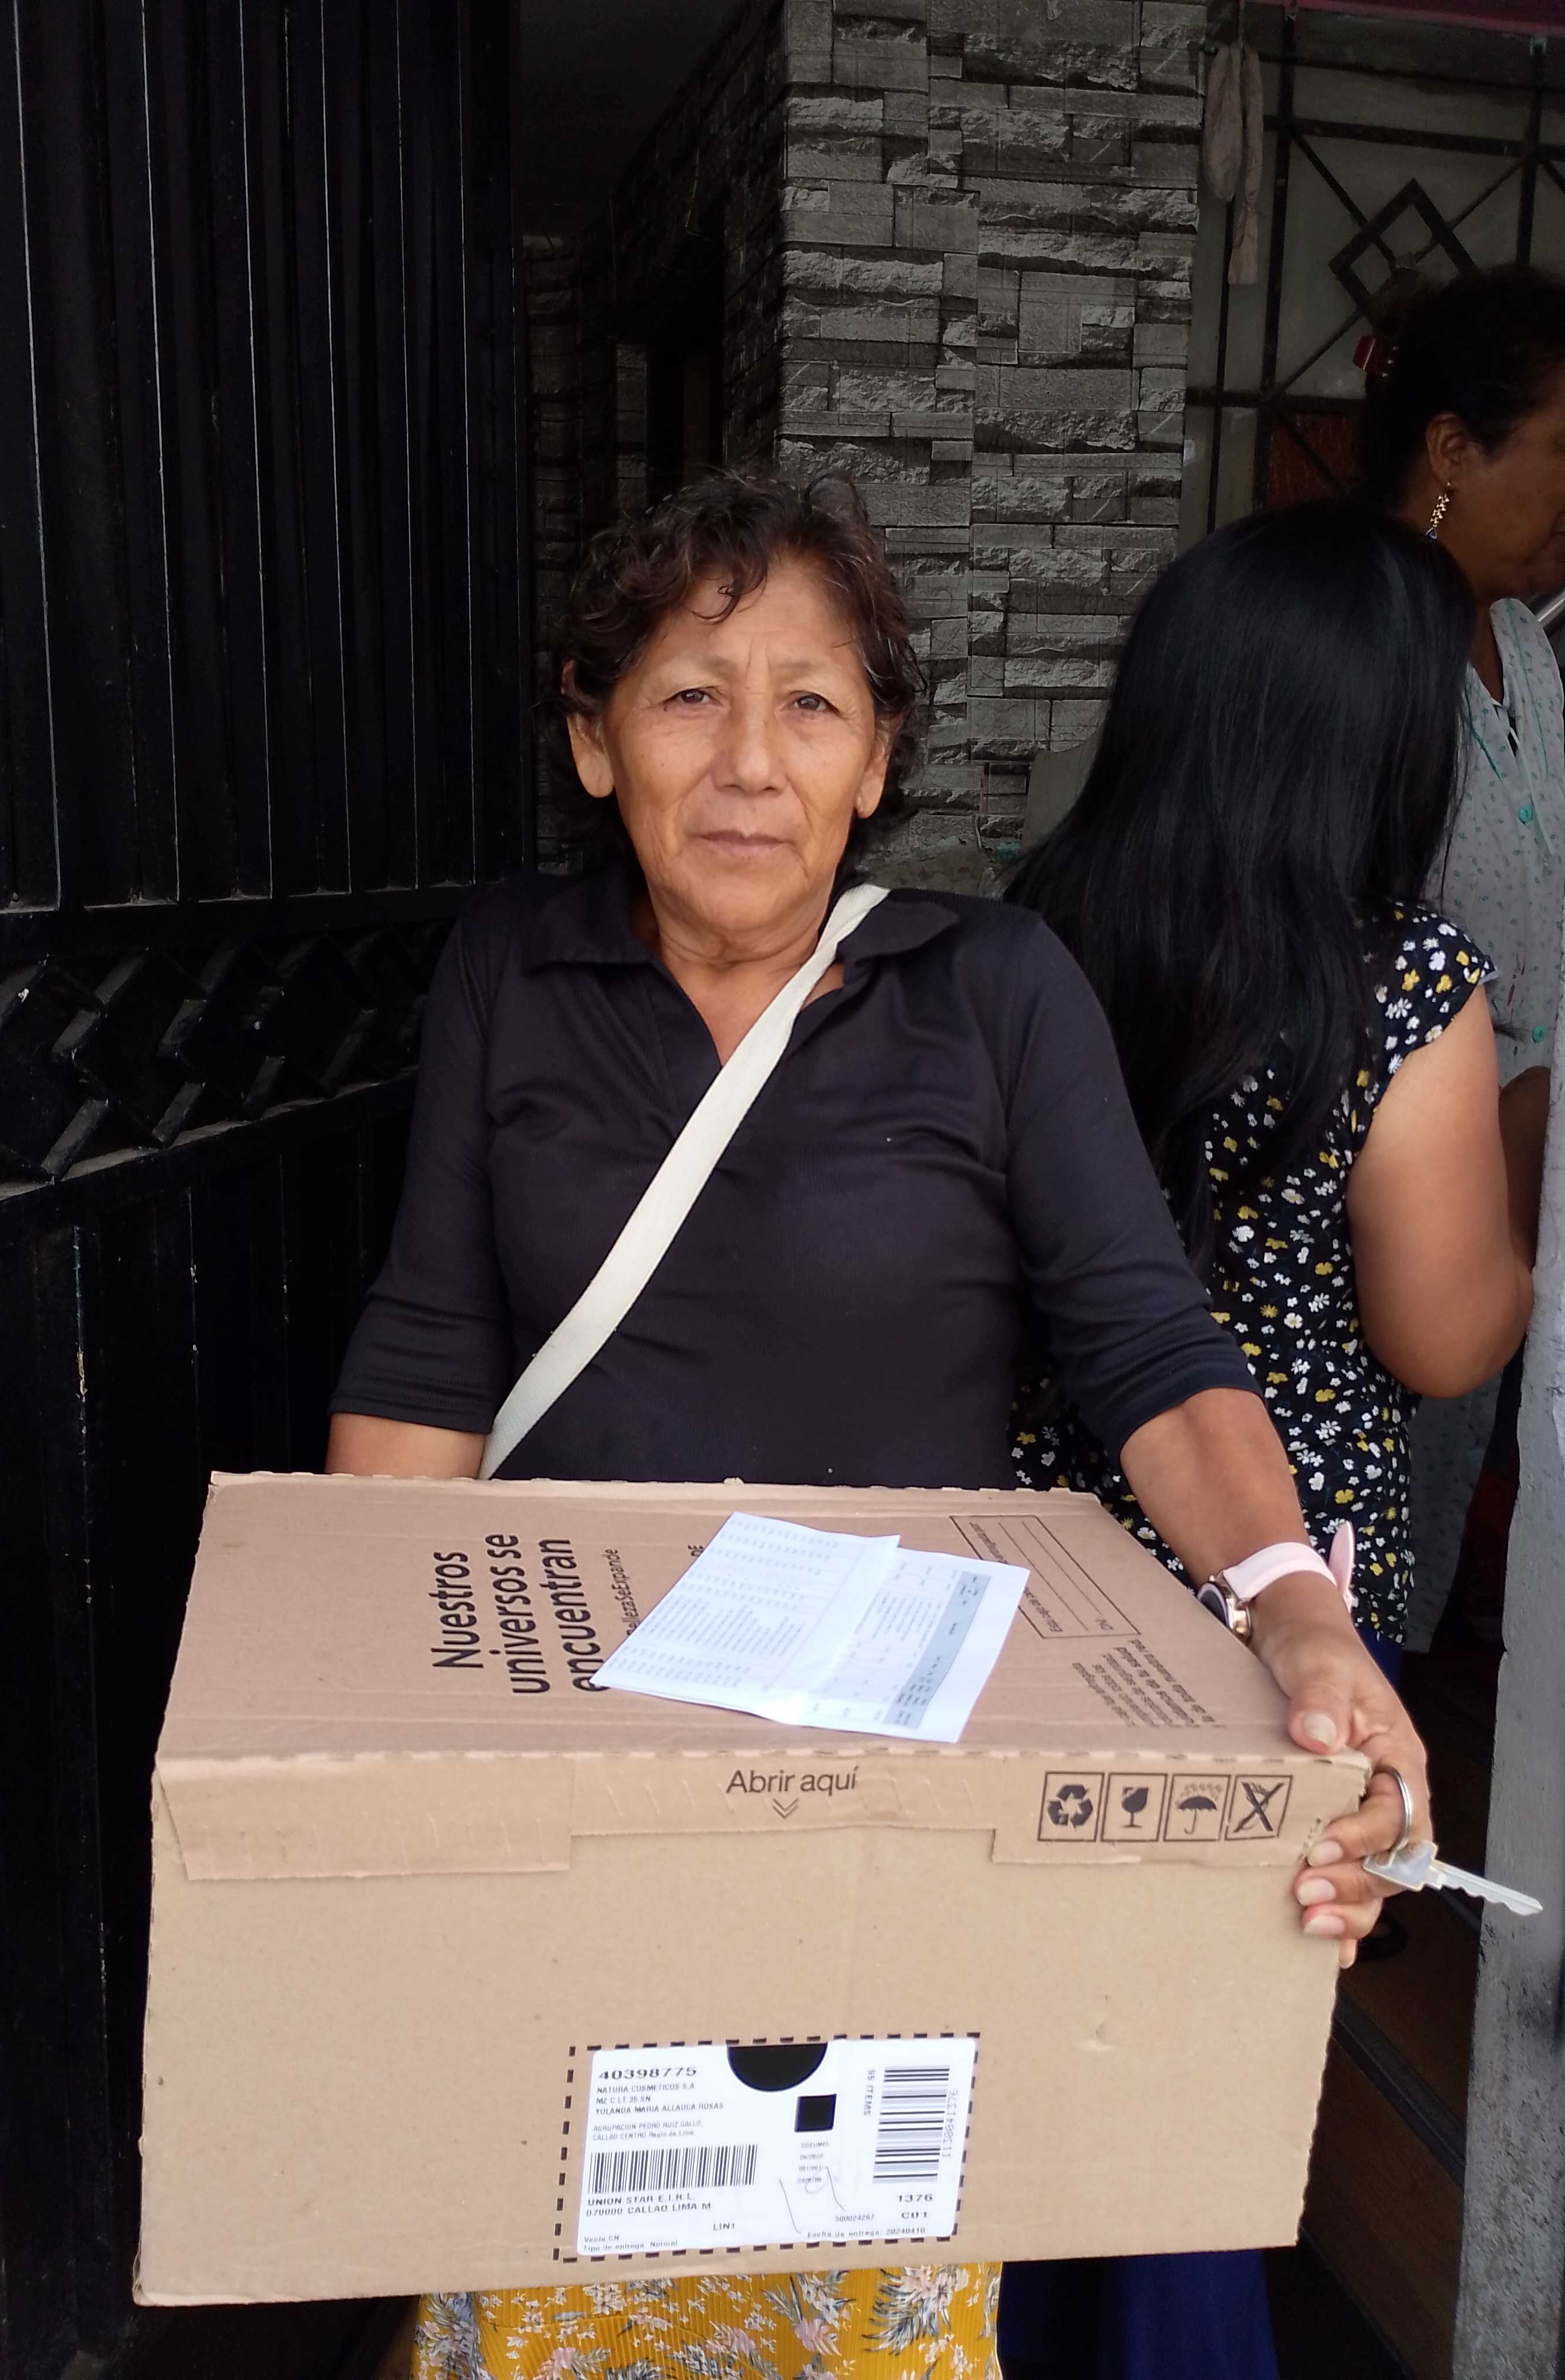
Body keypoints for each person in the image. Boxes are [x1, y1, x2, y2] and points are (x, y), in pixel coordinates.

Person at [327, 470, 1433, 2380]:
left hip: (891, 1790)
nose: (748, 761)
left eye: (811, 705)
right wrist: (345, 1738)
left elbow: (1145, 1346)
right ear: (595, 740)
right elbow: (431, 1349)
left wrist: (1295, 1608)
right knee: (556, 2270)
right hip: (580, 1778)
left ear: (877, 758)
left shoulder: (991, 987)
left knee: (855, 2279)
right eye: (688, 697)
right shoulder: (512, 964)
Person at [1002, 502, 1534, 2380]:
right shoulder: (1403, 984)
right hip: (1277, 1598)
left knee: (1009, 2044)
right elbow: (1445, 1332)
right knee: (1195, 2098)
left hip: (1033, 1579)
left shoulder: (1030, 933)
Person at [1359, 264, 1565, 1640]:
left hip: (1511, 1205)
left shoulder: (1528, 653)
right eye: (1561, 449)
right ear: (1451, 448)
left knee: (1431, 1557)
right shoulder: (1362, 656)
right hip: (1391, 1215)